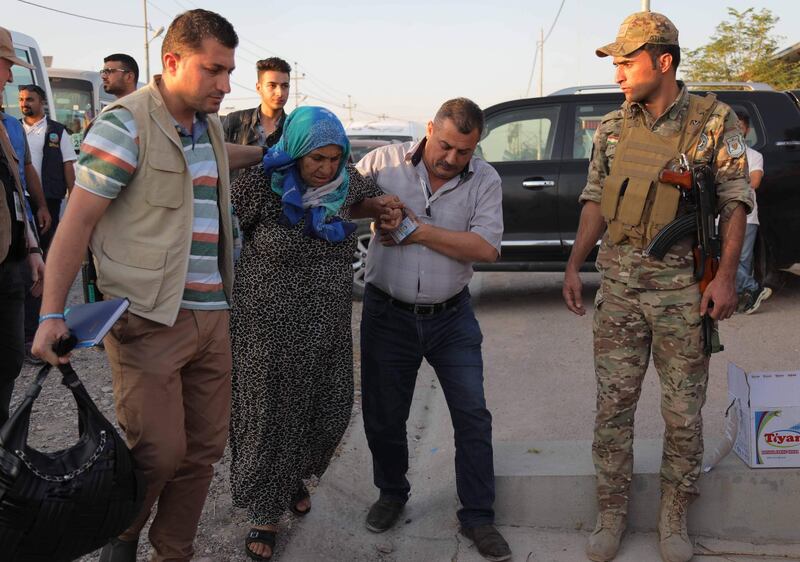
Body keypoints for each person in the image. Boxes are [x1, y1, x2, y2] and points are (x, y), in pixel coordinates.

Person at [31, 9, 259, 562]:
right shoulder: (124, 123)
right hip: (148, 317)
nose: (226, 85)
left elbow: (218, 162)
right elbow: (77, 222)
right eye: (214, 70)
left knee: (205, 449)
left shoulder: (206, 126)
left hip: (214, 314)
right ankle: (124, 533)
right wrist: (50, 314)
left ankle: (173, 549)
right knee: (159, 451)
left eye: (230, 72)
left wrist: (274, 156)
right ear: (172, 61)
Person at [561, 12, 752, 562]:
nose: (618, 72)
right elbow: (595, 200)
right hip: (619, 288)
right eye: (616, 63)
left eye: (627, 60)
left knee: (682, 413)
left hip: (680, 293)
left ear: (662, 61)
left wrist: (723, 276)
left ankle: (674, 518)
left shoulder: (713, 121)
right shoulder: (616, 126)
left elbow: (736, 201)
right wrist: (576, 265)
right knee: (613, 407)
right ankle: (612, 514)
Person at [229, 105, 401, 560]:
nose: (326, 169)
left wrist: (385, 207)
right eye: (315, 159)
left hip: (326, 321)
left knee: (329, 411)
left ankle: (295, 479)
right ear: (296, 152)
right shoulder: (259, 186)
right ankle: (265, 512)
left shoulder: (345, 181)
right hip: (266, 323)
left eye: (334, 158)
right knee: (272, 414)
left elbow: (377, 197)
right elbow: (222, 232)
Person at [355, 98, 511, 562]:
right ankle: (392, 492)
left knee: (472, 416)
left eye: (464, 151)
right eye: (445, 145)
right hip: (387, 314)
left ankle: (479, 516)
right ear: (429, 129)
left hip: (451, 318)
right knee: (384, 415)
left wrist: (415, 230)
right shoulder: (383, 162)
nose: (451, 158)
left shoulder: (485, 179)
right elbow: (340, 199)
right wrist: (377, 206)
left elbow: (485, 249)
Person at [0, 25, 45, 425]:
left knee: (11, 360)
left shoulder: (6, 125)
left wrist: (31, 247)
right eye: (5, 66)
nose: (11, 77)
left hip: (11, 262)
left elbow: (17, 190)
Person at [18, 83, 76, 252]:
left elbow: (68, 163)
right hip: (21, 197)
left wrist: (72, 196)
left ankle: (47, 277)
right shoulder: (14, 128)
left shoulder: (57, 131)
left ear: (42, 102)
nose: (24, 104)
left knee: (47, 243)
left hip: (49, 197)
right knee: (23, 244)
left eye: (29, 99)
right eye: (21, 99)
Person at [222, 57, 290, 182]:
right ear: (258, 88)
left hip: (279, 201)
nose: (280, 93)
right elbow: (216, 161)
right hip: (235, 200)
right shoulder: (235, 122)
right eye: (272, 85)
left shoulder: (293, 128)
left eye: (285, 86)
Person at [734, 111, 769, 314]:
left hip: (747, 215)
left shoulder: (755, 156)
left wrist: (728, 183)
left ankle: (743, 300)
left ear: (746, 129)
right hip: (721, 216)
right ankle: (755, 288)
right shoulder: (717, 155)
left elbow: (754, 182)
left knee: (743, 259)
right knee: (720, 257)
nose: (736, 130)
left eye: (739, 126)